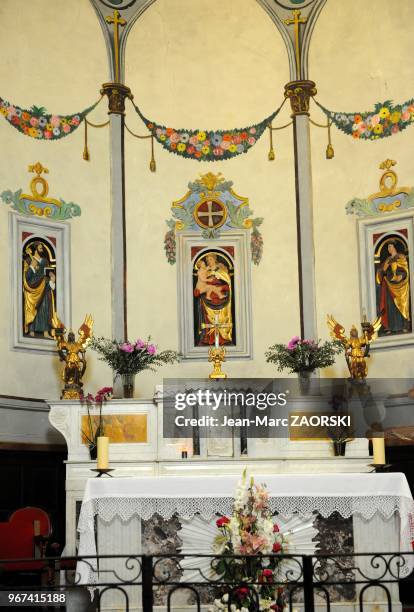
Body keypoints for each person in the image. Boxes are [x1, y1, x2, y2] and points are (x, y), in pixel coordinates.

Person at [194, 252, 233, 346]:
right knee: (208, 321)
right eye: (207, 260)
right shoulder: (205, 272)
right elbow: (200, 285)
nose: (208, 262)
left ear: (215, 259)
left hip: (222, 301)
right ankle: (208, 338)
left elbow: (227, 284)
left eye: (210, 259)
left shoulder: (222, 271)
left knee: (221, 320)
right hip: (207, 301)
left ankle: (223, 338)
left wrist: (219, 282)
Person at [23, 241, 59, 338]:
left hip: (45, 287)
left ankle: (45, 331)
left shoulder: (45, 261)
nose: (42, 250)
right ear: (35, 250)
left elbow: (47, 273)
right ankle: (31, 330)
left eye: (42, 248)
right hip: (32, 290)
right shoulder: (28, 261)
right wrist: (32, 267)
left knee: (45, 308)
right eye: (40, 248)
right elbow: (26, 278)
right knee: (34, 308)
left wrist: (52, 278)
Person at [376, 240, 411, 334]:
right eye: (388, 247)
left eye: (390, 246)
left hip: (400, 286)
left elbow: (405, 270)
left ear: (394, 247)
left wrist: (401, 276)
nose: (389, 249)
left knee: (401, 304)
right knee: (390, 305)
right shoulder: (387, 260)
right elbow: (382, 272)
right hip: (389, 285)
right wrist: (382, 271)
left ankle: (405, 325)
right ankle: (390, 327)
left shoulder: (401, 257)